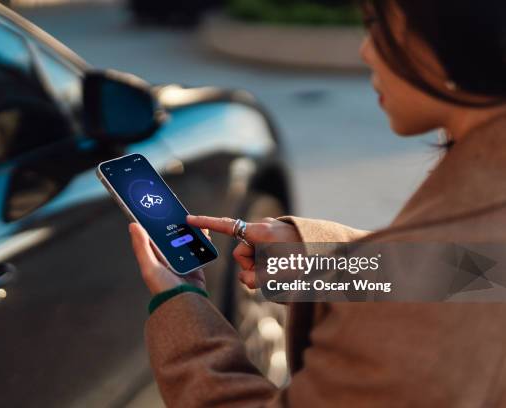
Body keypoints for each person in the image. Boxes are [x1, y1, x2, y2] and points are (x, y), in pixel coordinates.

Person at [128, 0, 506, 406]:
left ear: (456, 37)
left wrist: (182, 306)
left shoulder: (408, 316)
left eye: (377, 24)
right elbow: (483, 270)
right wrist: (321, 256)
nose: (366, 50)